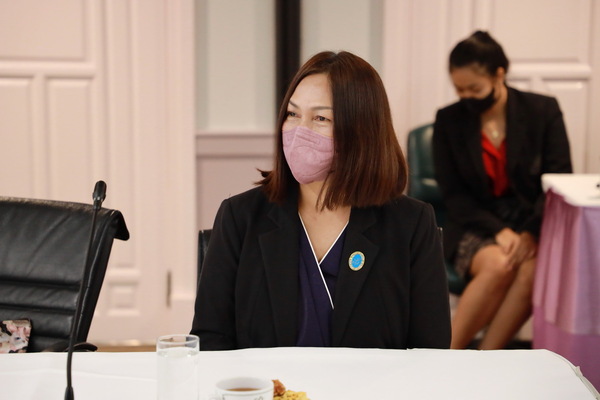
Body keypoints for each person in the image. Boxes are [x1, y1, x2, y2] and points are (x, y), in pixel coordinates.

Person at [191, 51, 451, 350]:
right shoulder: (240, 216)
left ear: (362, 130)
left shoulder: (410, 224)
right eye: (292, 114)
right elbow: (210, 341)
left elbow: (431, 350)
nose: (300, 131)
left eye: (321, 118)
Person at [432, 31, 572, 349]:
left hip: (531, 223)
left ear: (499, 74)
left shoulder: (542, 111)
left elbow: (558, 181)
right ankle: (444, 355)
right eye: (459, 89)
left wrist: (530, 232)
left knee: (534, 271)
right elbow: (454, 195)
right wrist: (499, 231)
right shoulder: (449, 120)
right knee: (499, 265)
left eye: (475, 89)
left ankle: (485, 359)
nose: (467, 97)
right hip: (473, 222)